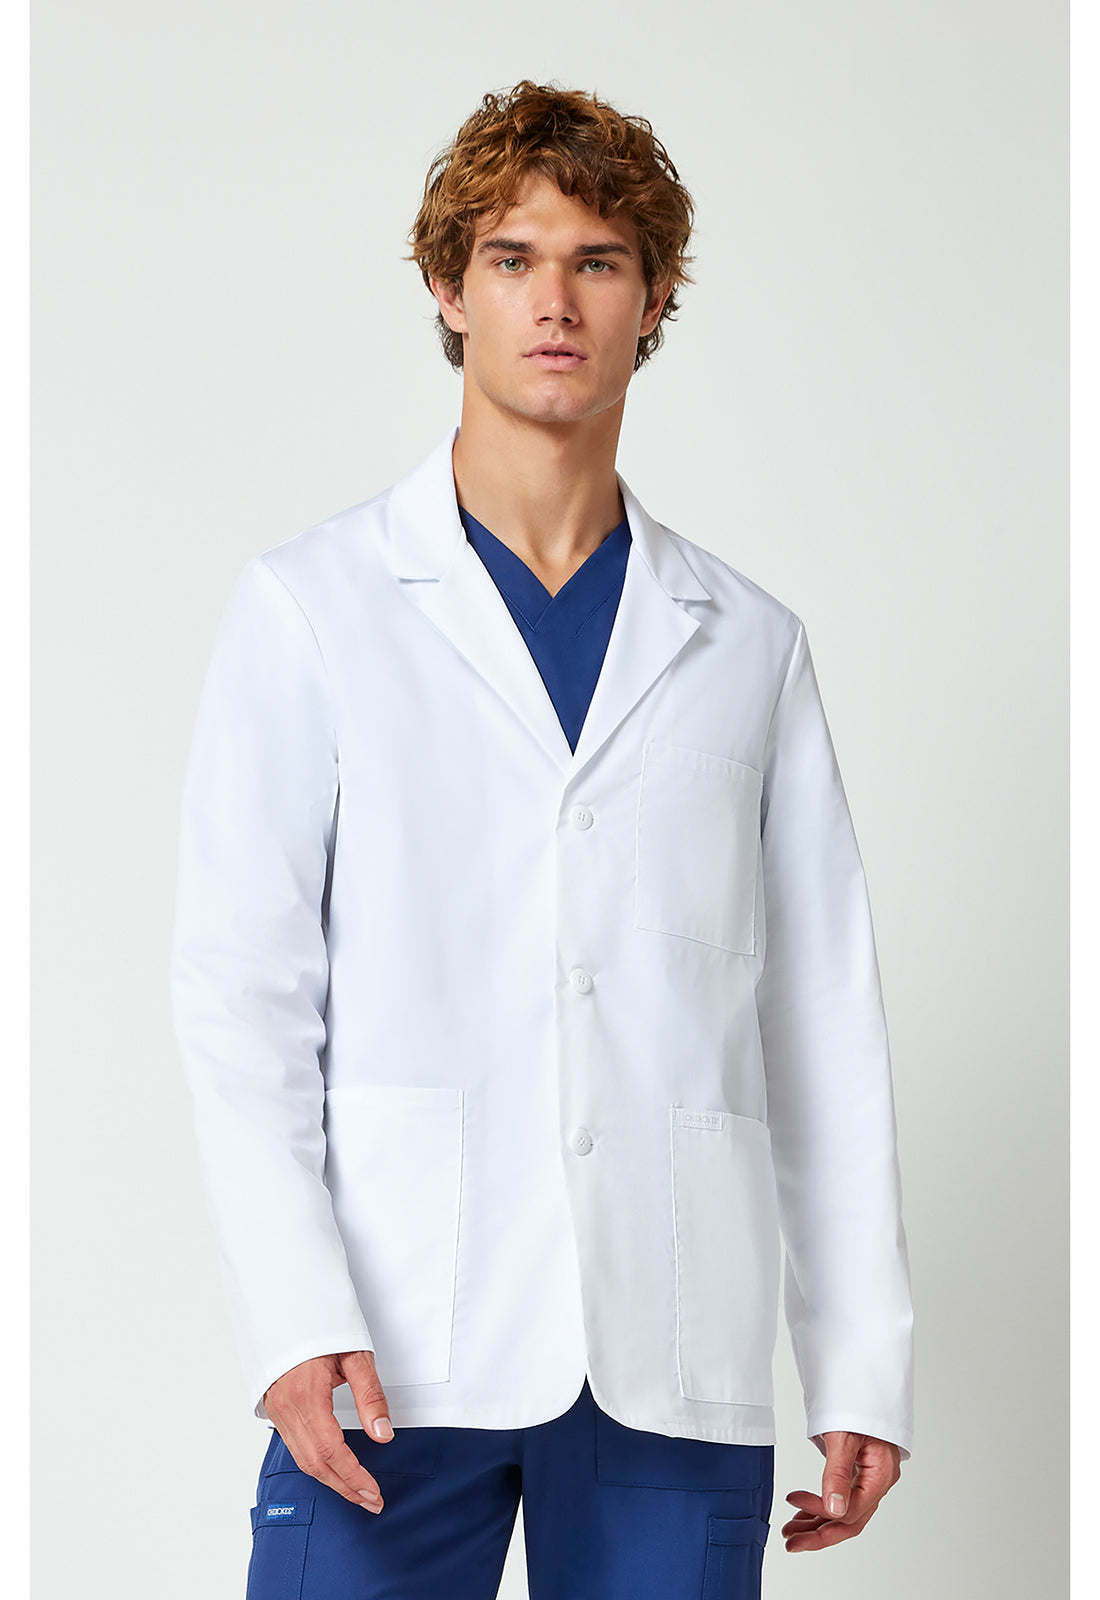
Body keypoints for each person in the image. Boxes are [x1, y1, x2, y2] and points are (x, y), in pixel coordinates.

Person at [169, 80, 914, 1599]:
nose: (555, 301)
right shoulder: (313, 608)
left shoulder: (746, 642)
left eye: (599, 262)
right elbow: (242, 992)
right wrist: (292, 1312)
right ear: (450, 292)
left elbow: (819, 1019)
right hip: (389, 1346)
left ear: (655, 302)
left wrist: (859, 1360)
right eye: (512, 259)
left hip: (669, 1342)